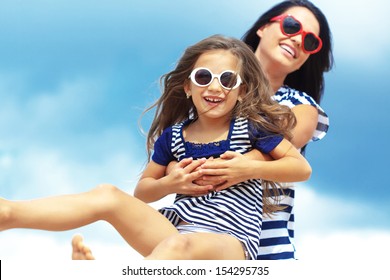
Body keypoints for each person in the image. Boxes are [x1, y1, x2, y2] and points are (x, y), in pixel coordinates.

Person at [0, 35, 311, 260]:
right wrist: (169, 183)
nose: (215, 87)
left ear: (241, 91)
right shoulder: (174, 137)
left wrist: (251, 167)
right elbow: (143, 191)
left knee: (180, 248)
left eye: (227, 80)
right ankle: (9, 213)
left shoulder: (251, 130)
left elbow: (300, 168)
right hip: (174, 230)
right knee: (107, 195)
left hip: (231, 243)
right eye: (204, 77)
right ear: (188, 87)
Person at [193, 0, 334, 260]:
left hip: (265, 251)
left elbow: (266, 146)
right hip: (196, 235)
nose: (297, 40)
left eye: (310, 41)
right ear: (262, 28)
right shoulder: (212, 89)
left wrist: (222, 166)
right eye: (292, 26)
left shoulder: (302, 107)